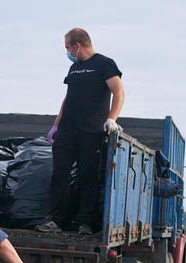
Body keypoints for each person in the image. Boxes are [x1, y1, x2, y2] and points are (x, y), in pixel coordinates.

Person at [37, 27, 125, 235]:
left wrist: (111, 119)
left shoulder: (105, 64)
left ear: (77, 45)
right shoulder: (74, 69)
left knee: (88, 177)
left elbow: (119, 92)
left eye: (67, 47)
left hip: (91, 132)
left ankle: (85, 222)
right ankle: (55, 221)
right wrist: (56, 125)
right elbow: (68, 98)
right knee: (59, 175)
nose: (66, 51)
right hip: (68, 131)